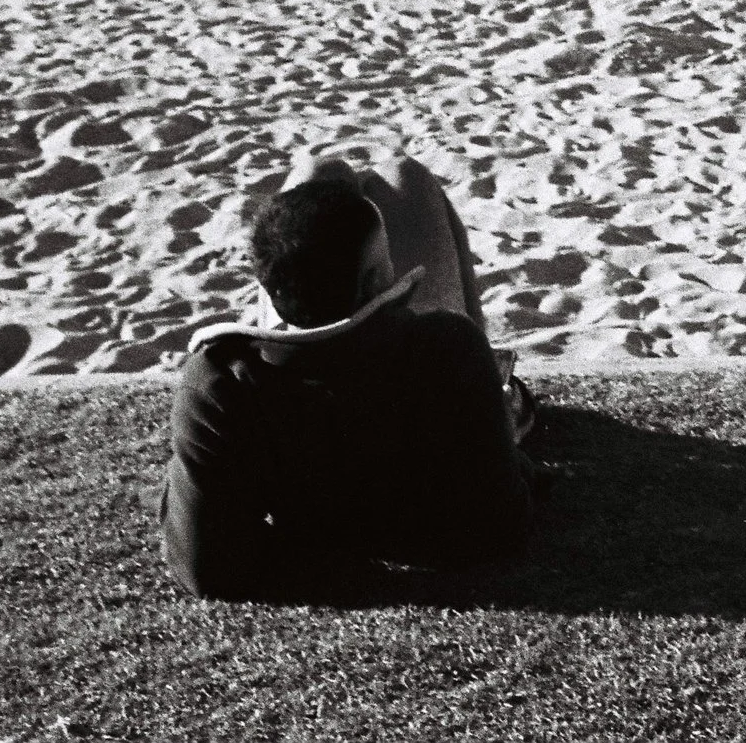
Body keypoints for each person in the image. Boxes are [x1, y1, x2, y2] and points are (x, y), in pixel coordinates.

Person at [159, 154, 538, 601]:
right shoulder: (447, 347)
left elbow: (204, 566)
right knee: (404, 174)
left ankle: (302, 291)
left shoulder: (221, 379)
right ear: (377, 277)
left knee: (315, 179)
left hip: (296, 383)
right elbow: (501, 525)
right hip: (408, 378)